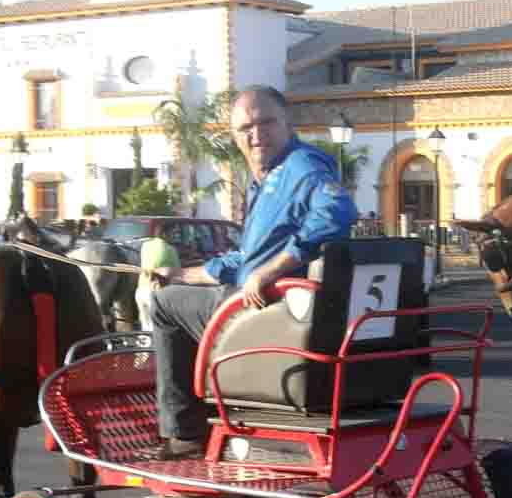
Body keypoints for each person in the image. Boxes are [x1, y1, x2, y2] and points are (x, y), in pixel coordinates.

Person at [147, 86, 357, 459]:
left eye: (266, 123)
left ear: (287, 123)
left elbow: (337, 213)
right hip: (265, 305)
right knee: (173, 291)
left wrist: (271, 272)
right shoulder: (269, 178)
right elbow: (246, 261)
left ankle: (184, 432)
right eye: (245, 128)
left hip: (266, 316)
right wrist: (181, 274)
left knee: (164, 306)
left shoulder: (303, 167)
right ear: (234, 135)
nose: (256, 135)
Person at [136, 229, 180, 332]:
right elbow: (177, 272)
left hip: (141, 289)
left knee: (145, 323)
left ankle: (143, 345)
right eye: (172, 234)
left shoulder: (145, 246)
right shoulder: (170, 249)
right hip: (156, 292)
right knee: (156, 327)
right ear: (166, 234)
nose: (173, 237)